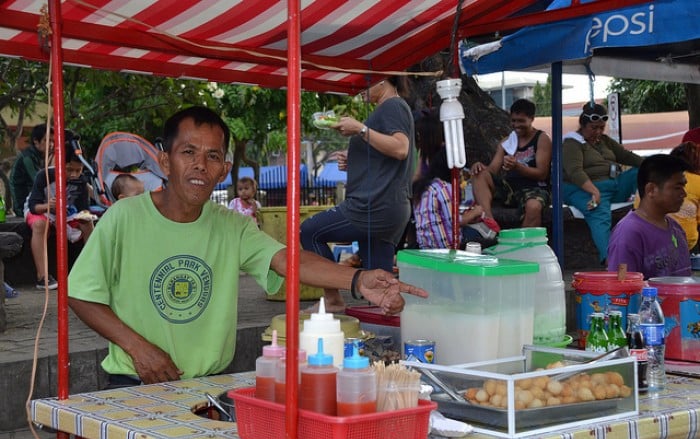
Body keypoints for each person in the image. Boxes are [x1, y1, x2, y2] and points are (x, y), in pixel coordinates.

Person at [67, 106, 427, 386]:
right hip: (134, 379)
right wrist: (138, 349)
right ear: (164, 160)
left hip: (206, 385)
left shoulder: (232, 225)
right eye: (188, 152)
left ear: (224, 169)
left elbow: (288, 260)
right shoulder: (123, 218)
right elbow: (81, 294)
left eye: (211, 156)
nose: (199, 166)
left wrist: (358, 280)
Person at [301, 77, 414, 312]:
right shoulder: (391, 109)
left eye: (364, 84)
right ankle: (387, 335)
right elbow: (386, 158)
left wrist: (360, 129)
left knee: (309, 231)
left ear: (382, 80)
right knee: (381, 296)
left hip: (373, 206)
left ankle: (332, 299)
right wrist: (353, 159)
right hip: (387, 208)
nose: (358, 91)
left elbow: (400, 148)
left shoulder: (392, 106)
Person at [562, 102, 643, 265]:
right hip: (584, 189)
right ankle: (611, 261)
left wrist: (657, 165)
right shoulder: (572, 143)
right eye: (593, 128)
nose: (598, 132)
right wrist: (595, 192)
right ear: (583, 125)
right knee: (598, 212)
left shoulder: (604, 141)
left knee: (641, 171)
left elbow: (627, 157)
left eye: (601, 127)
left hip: (613, 186)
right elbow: (575, 172)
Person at [412, 110, 497, 249]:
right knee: (488, 238)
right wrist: (475, 212)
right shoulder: (443, 187)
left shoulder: (442, 160)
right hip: (448, 245)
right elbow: (455, 221)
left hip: (428, 242)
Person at [26, 130, 94, 290]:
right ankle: (42, 277)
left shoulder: (81, 181)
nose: (74, 174)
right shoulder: (44, 176)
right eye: (69, 169)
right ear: (59, 164)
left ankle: (92, 271)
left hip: (66, 212)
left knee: (88, 222)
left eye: (78, 170)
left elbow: (84, 209)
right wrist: (48, 206)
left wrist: (83, 215)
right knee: (40, 225)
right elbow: (33, 206)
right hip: (43, 210)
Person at [469, 98, 552, 229]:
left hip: (535, 189)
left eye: (521, 121)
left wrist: (517, 167)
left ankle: (523, 244)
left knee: (534, 206)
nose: (516, 125)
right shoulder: (507, 141)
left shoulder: (542, 139)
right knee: (478, 174)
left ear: (531, 119)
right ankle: (489, 222)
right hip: (510, 189)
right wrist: (479, 166)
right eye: (513, 121)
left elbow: (542, 174)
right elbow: (492, 171)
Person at [607, 154, 691, 279]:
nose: (684, 194)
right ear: (651, 189)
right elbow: (621, 287)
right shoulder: (628, 233)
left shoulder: (676, 229)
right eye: (677, 187)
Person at [9, 123, 53, 217]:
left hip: (36, 202)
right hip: (23, 206)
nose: (51, 144)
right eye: (47, 140)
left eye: (52, 141)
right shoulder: (27, 158)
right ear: (36, 141)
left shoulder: (41, 156)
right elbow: (39, 181)